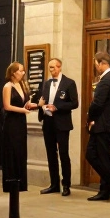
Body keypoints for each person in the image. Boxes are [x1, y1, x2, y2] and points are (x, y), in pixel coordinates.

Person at [32, 57, 78, 196]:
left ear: (59, 67)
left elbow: (74, 103)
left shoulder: (69, 83)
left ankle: (66, 185)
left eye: (53, 67)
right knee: (51, 154)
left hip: (62, 123)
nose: (51, 70)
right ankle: (54, 184)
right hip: (48, 122)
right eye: (49, 67)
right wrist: (39, 105)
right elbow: (42, 100)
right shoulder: (46, 83)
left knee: (63, 154)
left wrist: (57, 107)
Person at [86, 51, 110, 201]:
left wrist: (90, 118)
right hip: (106, 124)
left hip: (102, 124)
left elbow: (98, 103)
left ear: (102, 63)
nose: (96, 67)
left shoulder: (107, 80)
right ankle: (105, 189)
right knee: (104, 157)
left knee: (93, 155)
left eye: (96, 64)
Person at [0, 62, 38, 195]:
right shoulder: (8, 86)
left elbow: (24, 103)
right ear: (13, 72)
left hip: (21, 121)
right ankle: (10, 182)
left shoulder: (21, 85)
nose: (23, 73)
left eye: (23, 71)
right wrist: (22, 110)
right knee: (12, 150)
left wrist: (30, 105)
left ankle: (21, 182)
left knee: (21, 150)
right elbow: (7, 106)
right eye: (20, 71)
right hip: (12, 122)